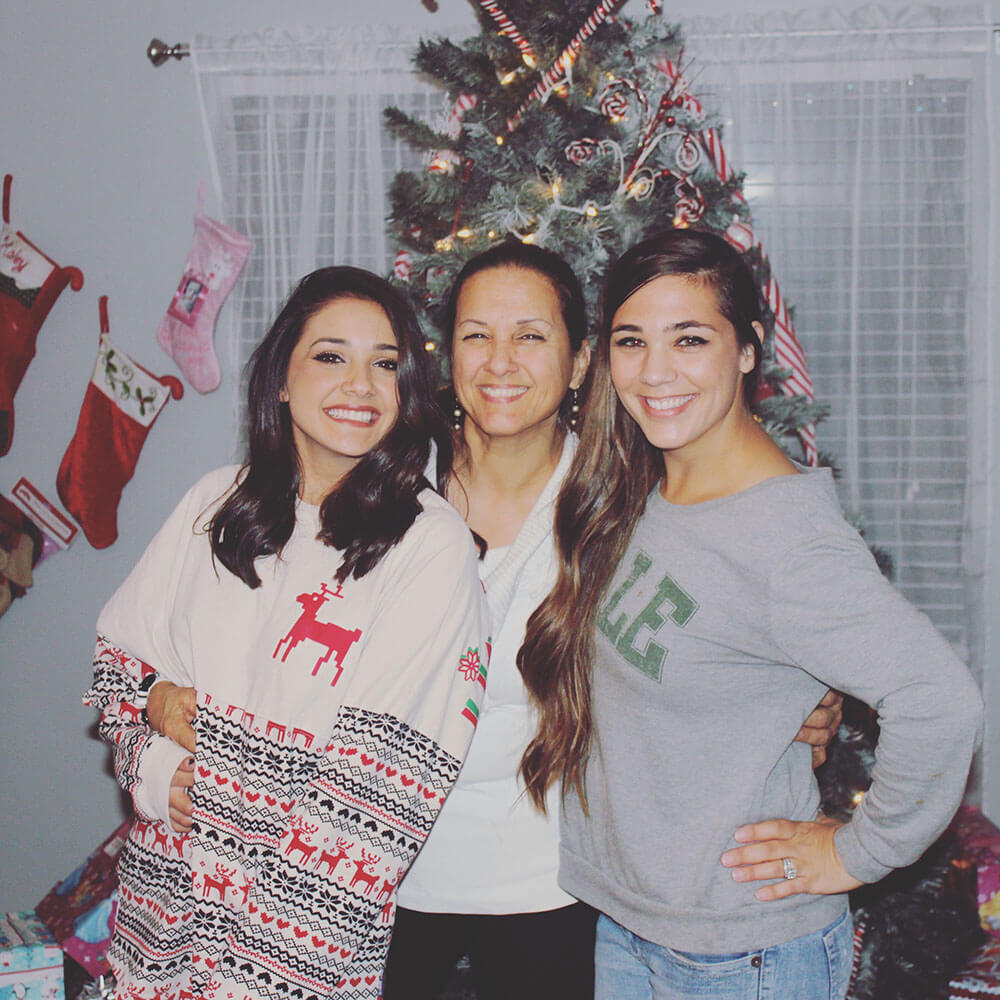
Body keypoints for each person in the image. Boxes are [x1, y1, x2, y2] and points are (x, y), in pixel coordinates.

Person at [146, 241, 841, 1000]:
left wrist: (806, 698)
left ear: (580, 364)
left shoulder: (630, 508)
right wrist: (158, 714)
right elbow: (243, 642)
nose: (500, 361)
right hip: (372, 888)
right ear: (448, 359)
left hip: (552, 892)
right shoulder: (378, 482)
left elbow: (728, 635)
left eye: (531, 336)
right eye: (476, 335)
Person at [516, 229, 984, 1000]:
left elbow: (941, 703)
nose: (655, 372)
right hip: (633, 924)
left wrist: (859, 853)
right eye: (632, 341)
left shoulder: (791, 543)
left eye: (690, 339)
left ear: (747, 351)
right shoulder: (646, 485)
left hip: (742, 954)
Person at [83, 266, 490, 1000]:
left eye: (386, 363)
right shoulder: (217, 501)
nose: (360, 385)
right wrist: (150, 756)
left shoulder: (431, 548)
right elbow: (116, 668)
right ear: (281, 377)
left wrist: (246, 988)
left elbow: (368, 816)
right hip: (152, 935)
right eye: (331, 355)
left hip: (287, 971)